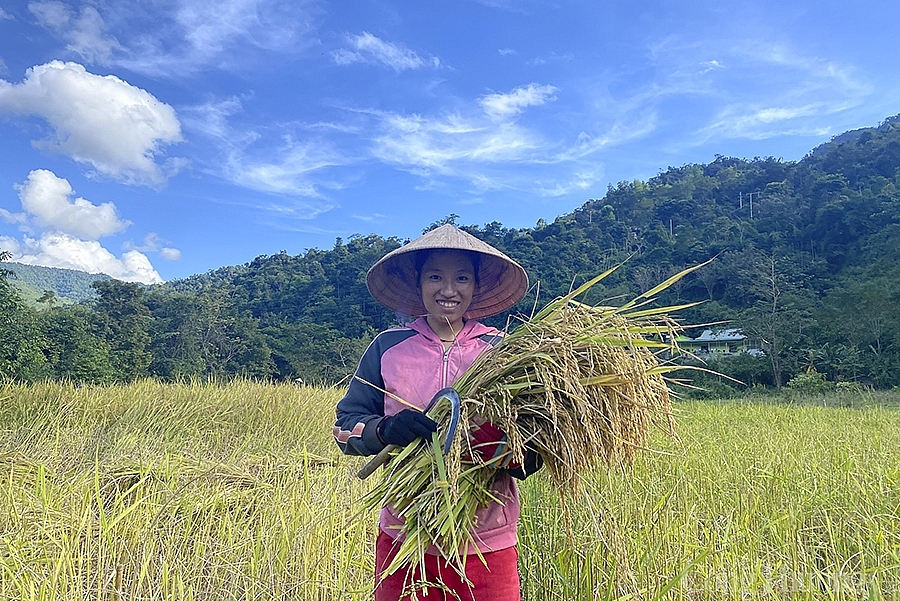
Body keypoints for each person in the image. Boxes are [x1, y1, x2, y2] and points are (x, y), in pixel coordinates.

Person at [332, 224, 541, 601]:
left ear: (475, 286)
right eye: (435, 277)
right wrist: (385, 430)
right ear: (418, 283)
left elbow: (533, 441)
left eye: (461, 278)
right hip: (404, 541)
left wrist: (506, 450)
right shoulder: (388, 348)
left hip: (486, 546)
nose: (448, 290)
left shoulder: (503, 352)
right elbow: (344, 428)